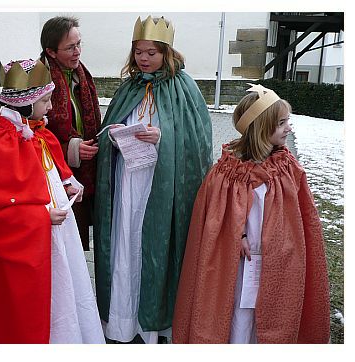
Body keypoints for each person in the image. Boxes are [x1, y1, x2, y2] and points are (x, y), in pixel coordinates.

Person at [172, 84, 331, 343]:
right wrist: (239, 235)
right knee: (239, 310)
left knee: (273, 309)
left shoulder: (287, 168)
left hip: (279, 258)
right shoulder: (226, 173)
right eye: (281, 123)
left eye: (287, 122)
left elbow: (303, 218)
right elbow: (214, 219)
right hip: (236, 262)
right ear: (261, 128)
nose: (288, 128)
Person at [93, 16, 213, 343]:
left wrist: (162, 137)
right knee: (125, 243)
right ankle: (121, 319)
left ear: (167, 52)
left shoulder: (184, 88)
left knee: (156, 245)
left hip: (162, 187)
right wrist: (114, 136)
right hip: (126, 183)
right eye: (139, 52)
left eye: (152, 52)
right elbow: (106, 133)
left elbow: (197, 142)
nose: (144, 59)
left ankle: (155, 322)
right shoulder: (128, 88)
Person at [0, 59, 104, 344]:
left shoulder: (35, 131)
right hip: (31, 241)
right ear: (25, 104)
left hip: (57, 233)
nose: (50, 107)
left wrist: (69, 181)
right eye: (45, 100)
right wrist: (41, 217)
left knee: (63, 287)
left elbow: (50, 167)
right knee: (37, 302)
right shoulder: (1, 143)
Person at [40, 15, 102, 251]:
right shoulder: (39, 80)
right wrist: (72, 149)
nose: (77, 52)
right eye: (70, 47)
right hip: (56, 176)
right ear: (51, 52)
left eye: (78, 44)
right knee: (62, 243)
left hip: (82, 171)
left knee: (76, 239)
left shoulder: (81, 75)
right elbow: (38, 133)